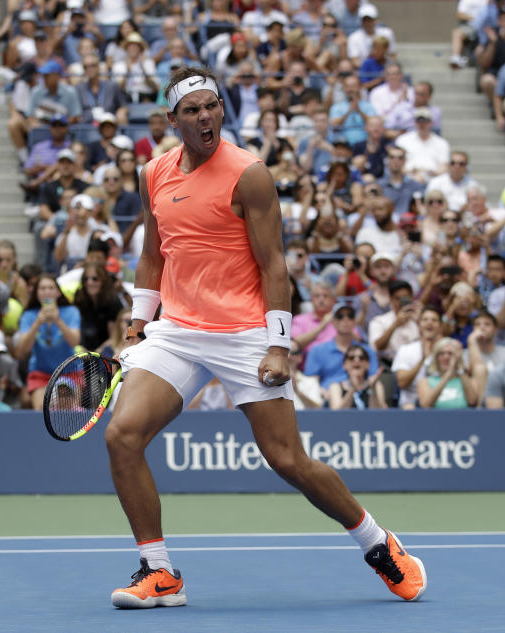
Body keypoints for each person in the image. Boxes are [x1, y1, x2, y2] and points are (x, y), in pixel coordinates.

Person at [106, 66, 427, 609]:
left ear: (221, 110)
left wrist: (279, 344)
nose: (205, 116)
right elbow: (153, 254)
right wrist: (140, 323)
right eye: (192, 110)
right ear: (172, 120)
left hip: (245, 332)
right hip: (179, 330)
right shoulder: (153, 174)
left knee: (286, 460)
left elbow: (274, 263)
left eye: (212, 106)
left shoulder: (249, 174)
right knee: (122, 436)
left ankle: (378, 544)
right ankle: (158, 572)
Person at [14, 274, 81, 411]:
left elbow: (74, 342)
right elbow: (22, 351)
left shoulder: (71, 311)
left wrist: (58, 320)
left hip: (69, 371)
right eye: (42, 288)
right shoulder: (29, 315)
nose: (47, 291)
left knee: (72, 413)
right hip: (41, 373)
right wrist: (37, 323)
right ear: (36, 293)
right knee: (41, 409)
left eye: (51, 287)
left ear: (58, 292)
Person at [417, 336, 484, 408]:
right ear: (436, 358)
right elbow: (426, 404)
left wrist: (459, 367)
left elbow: (472, 401)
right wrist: (448, 374)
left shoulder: (469, 381)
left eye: (450, 353)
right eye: (441, 354)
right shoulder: (425, 382)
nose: (446, 357)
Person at [327, 343, 387, 409]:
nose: (356, 360)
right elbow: (336, 415)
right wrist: (352, 389)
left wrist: (372, 388)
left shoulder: (376, 385)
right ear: (344, 365)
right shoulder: (335, 386)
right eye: (351, 358)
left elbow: (379, 414)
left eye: (361, 358)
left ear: (368, 364)